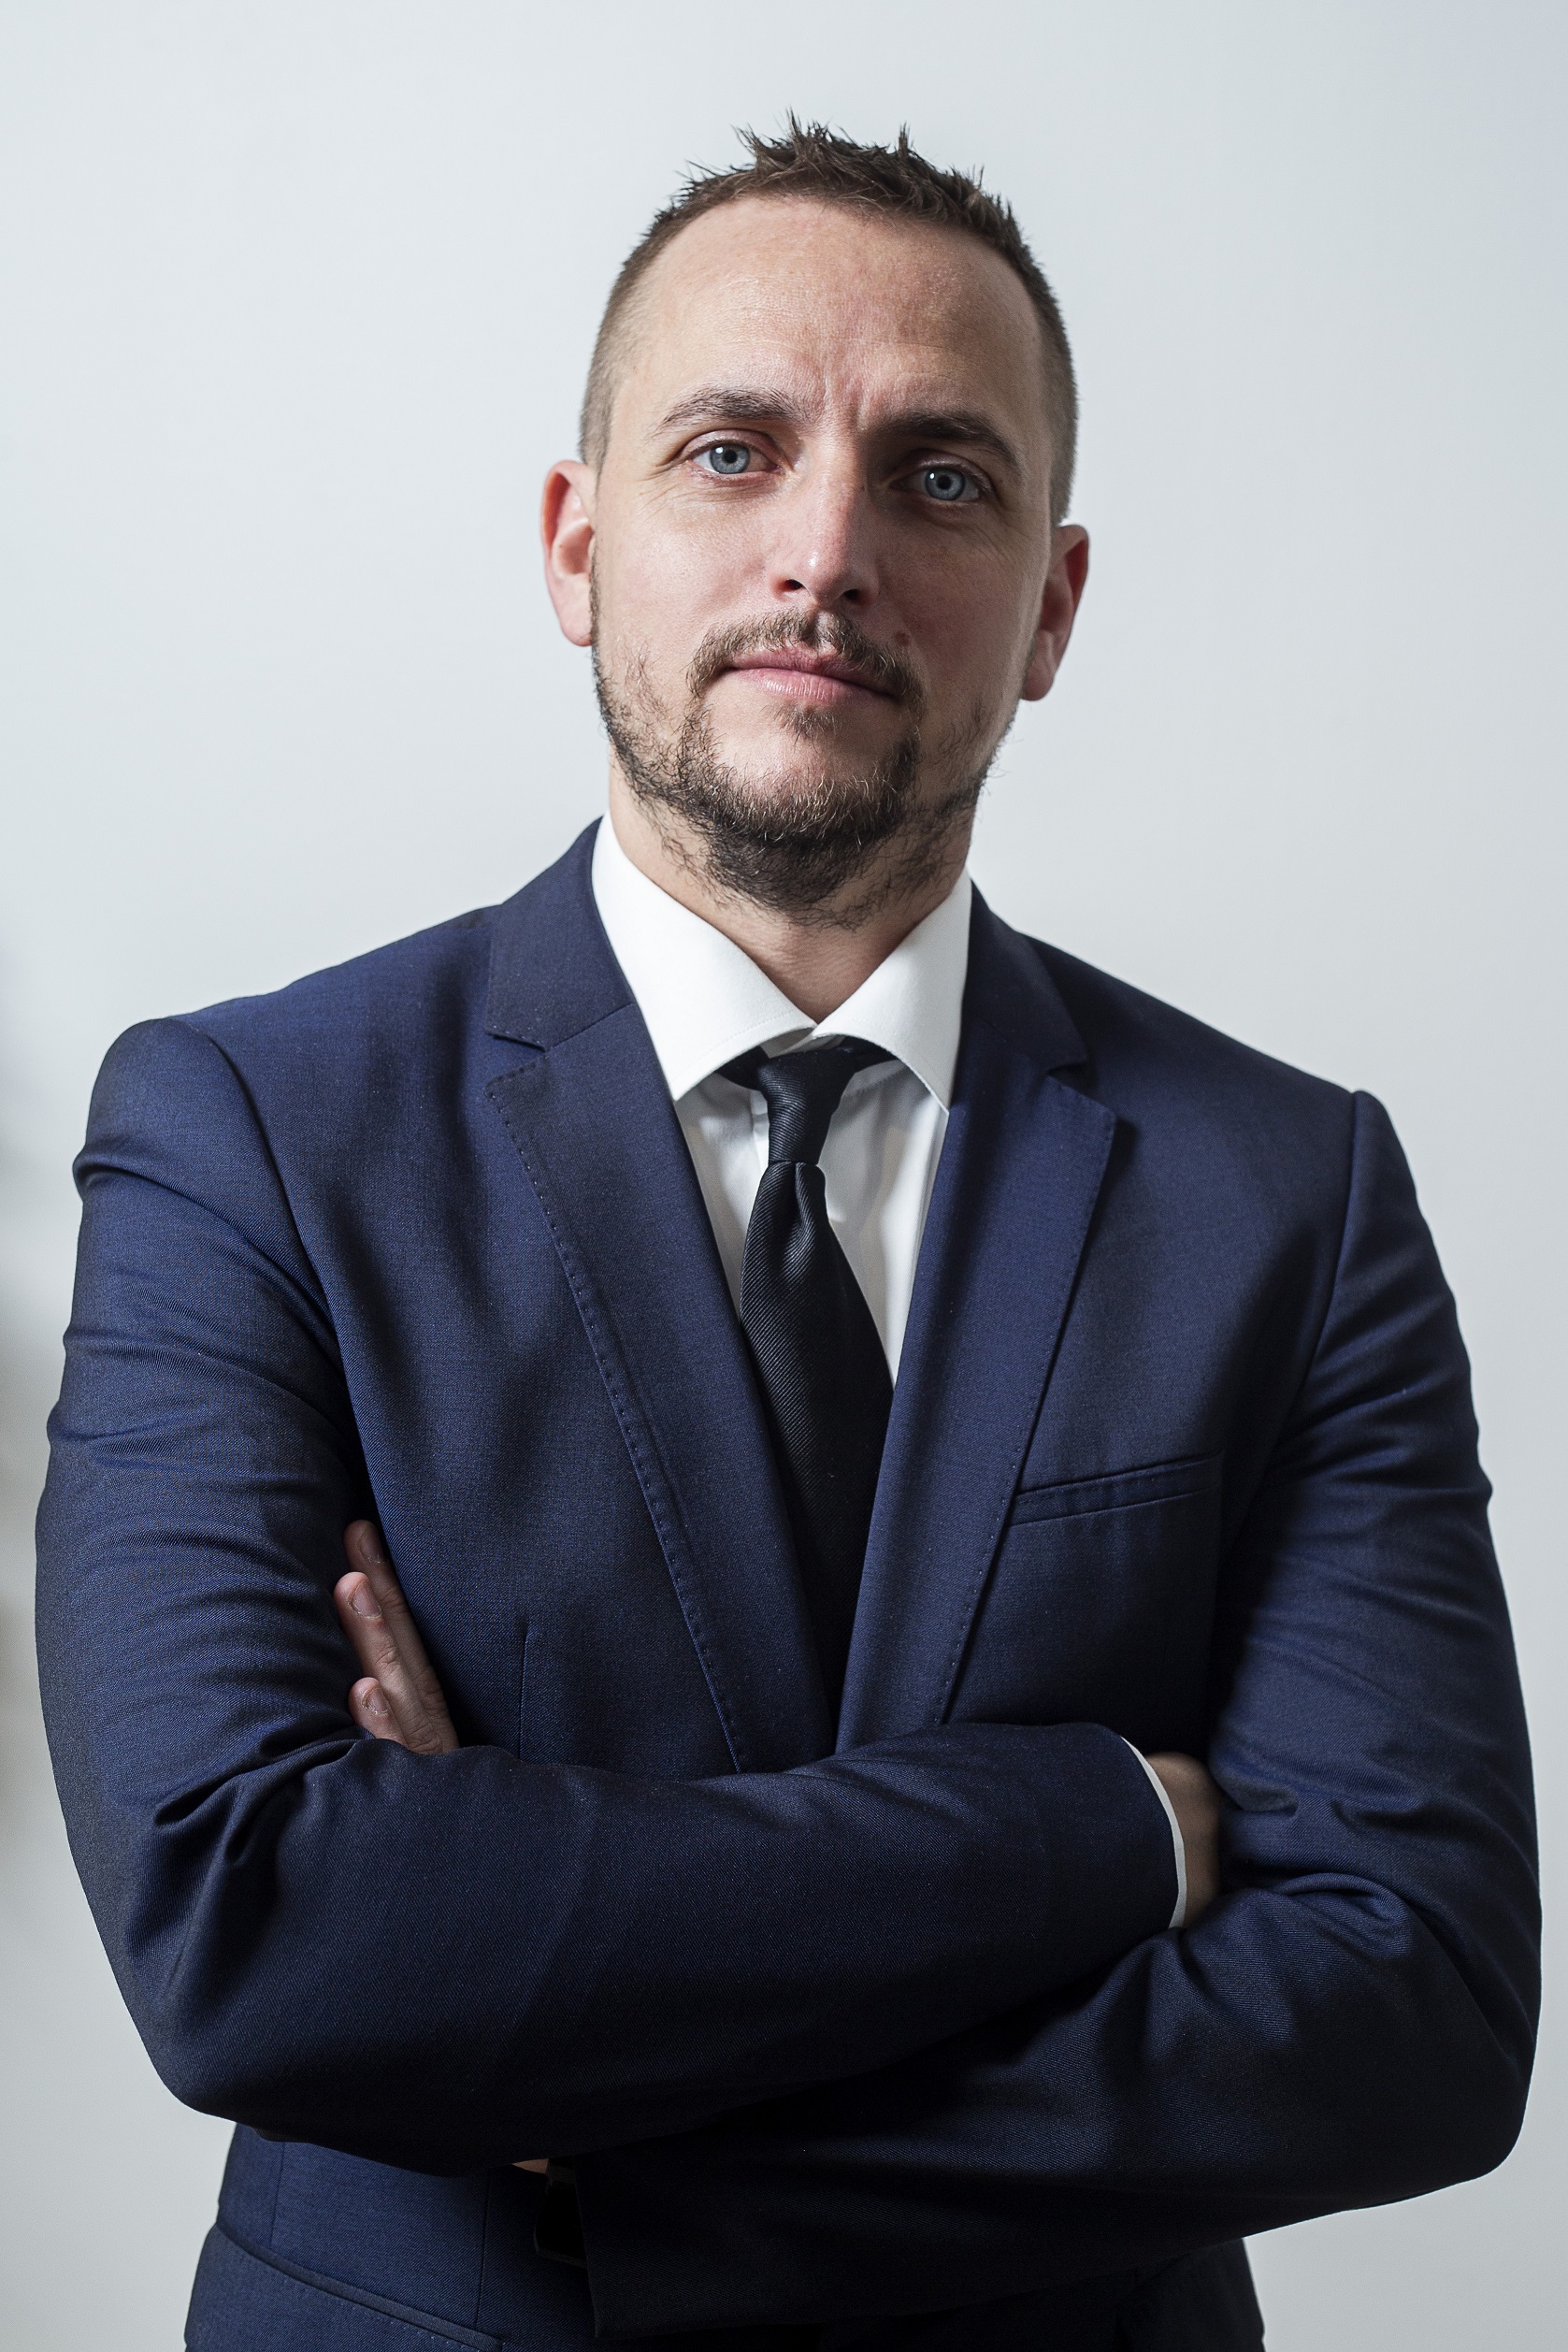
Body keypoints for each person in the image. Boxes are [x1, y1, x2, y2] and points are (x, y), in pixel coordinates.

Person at [36, 123, 1537, 2352]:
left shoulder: (1284, 1194)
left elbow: (1412, 1999)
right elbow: (255, 1928)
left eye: (938, 477)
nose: (824, 550)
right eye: (730, 451)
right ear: (577, 545)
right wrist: (1095, 1827)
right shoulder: (245, 1130)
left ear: (1050, 604)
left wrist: (589, 2123)